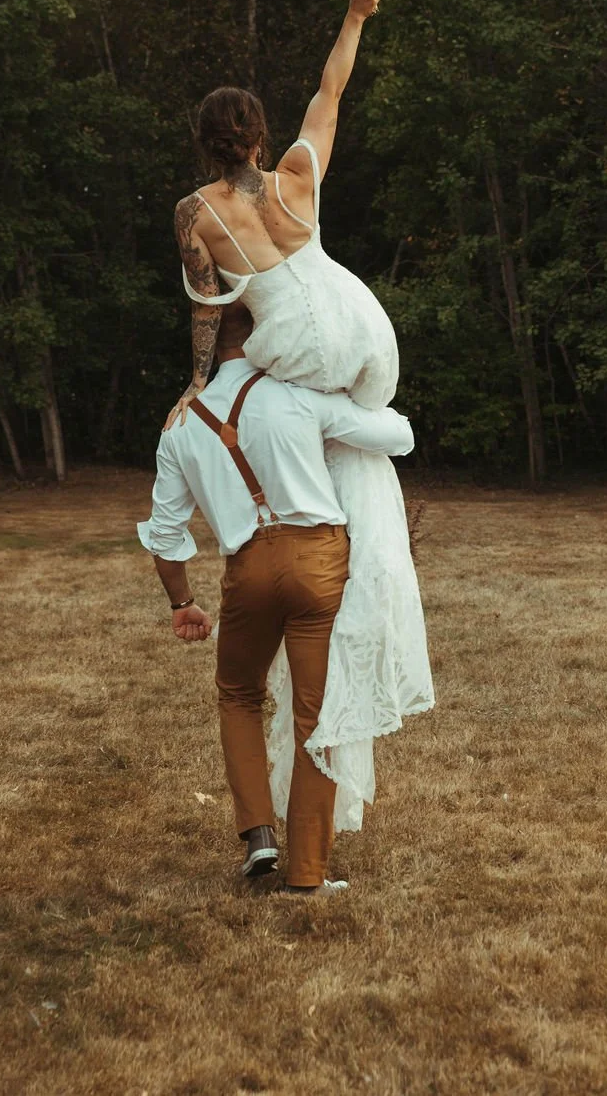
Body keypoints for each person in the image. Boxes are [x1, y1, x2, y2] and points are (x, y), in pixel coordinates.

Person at [167, 0, 434, 833]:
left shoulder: (198, 211)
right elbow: (332, 88)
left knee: (299, 427)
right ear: (257, 134)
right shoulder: (295, 177)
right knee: (358, 433)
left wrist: (198, 383)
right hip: (361, 329)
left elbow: (210, 308)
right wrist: (356, 11)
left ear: (205, 144)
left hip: (299, 346)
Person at [138, 302, 415, 894]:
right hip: (319, 562)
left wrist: (181, 602)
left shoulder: (180, 424)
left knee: (239, 695)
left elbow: (165, 536)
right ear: (267, 339)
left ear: (210, 348)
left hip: (248, 569)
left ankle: (258, 833)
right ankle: (308, 872)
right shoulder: (298, 396)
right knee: (317, 713)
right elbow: (399, 436)